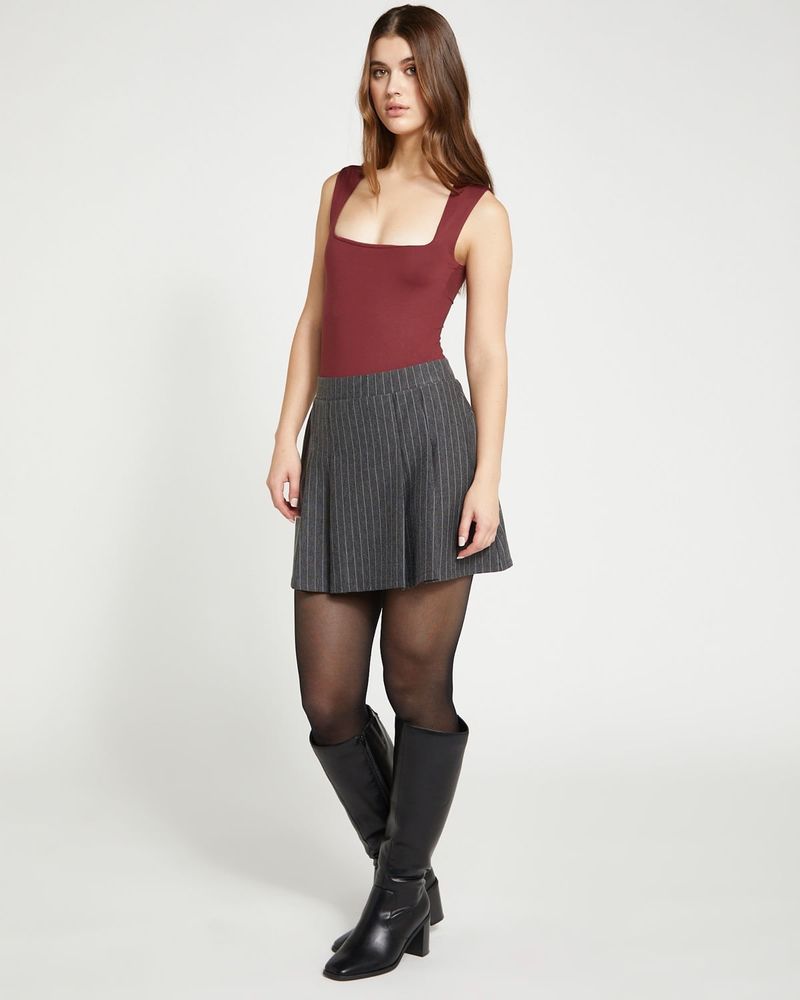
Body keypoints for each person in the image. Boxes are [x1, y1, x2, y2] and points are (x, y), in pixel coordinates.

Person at [266, 4, 514, 982]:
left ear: (439, 78)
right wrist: (285, 435)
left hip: (427, 446)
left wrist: (486, 475)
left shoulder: (477, 211)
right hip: (340, 443)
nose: (393, 85)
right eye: (379, 69)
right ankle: (404, 876)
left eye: (410, 68)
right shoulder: (338, 190)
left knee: (417, 686)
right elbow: (314, 318)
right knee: (328, 699)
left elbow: (487, 354)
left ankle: (398, 886)